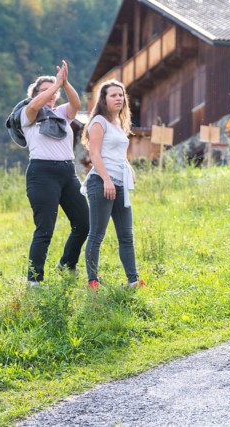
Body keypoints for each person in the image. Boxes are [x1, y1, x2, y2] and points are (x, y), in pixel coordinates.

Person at [22, 60, 89, 286]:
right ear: (35, 94)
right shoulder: (28, 114)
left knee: (83, 223)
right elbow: (34, 106)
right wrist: (54, 84)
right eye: (44, 91)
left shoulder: (61, 113)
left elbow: (76, 103)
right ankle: (34, 281)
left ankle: (66, 264)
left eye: (54, 92)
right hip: (42, 173)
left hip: (67, 173)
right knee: (45, 229)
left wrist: (65, 82)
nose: (51, 95)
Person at [82, 80, 146, 291]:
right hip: (101, 182)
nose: (119, 98)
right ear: (104, 99)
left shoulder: (119, 123)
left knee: (126, 235)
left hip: (120, 183)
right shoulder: (98, 121)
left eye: (121, 95)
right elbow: (94, 154)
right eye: (113, 95)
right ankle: (93, 281)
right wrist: (107, 180)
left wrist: (129, 168)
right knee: (97, 234)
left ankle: (133, 281)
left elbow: (117, 154)